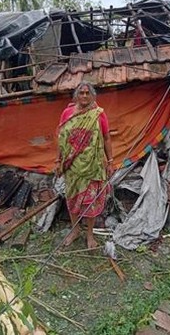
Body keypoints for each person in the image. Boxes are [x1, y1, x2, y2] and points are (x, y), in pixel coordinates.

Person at [55, 82, 114, 249]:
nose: (84, 96)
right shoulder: (67, 113)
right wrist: (58, 161)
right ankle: (75, 231)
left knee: (91, 202)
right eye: (81, 93)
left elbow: (107, 138)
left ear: (92, 95)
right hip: (71, 166)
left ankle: (89, 234)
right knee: (72, 198)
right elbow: (61, 140)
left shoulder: (98, 115)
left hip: (93, 166)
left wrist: (110, 161)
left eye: (88, 93)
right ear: (76, 95)